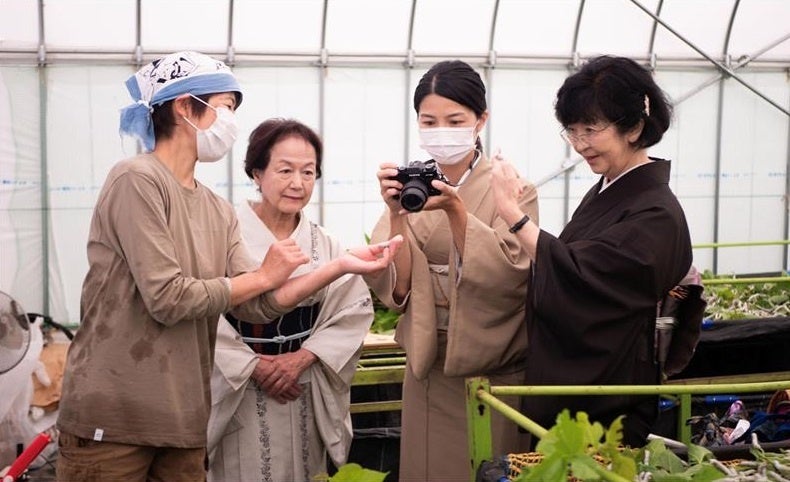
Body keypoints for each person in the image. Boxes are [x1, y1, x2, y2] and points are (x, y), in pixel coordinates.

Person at [55, 51, 402, 482]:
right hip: (116, 415)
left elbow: (257, 305)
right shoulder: (136, 179)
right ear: (185, 106)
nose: (230, 122)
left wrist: (341, 266)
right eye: (224, 107)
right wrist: (263, 277)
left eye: (307, 172)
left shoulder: (215, 208)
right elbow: (167, 298)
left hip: (182, 419)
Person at [489, 55, 694, 448]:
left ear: (634, 127)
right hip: (581, 384)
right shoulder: (610, 188)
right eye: (572, 130)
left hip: (612, 395)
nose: (580, 144)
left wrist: (512, 214)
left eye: (591, 129)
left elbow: (582, 277)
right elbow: (569, 266)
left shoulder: (657, 211)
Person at [365, 60, 538, 481]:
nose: (440, 130)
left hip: (488, 367)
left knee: (484, 466)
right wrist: (396, 215)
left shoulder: (513, 188)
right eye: (429, 121)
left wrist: (458, 212)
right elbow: (397, 286)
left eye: (455, 120)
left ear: (481, 120)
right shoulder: (415, 186)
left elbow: (512, 274)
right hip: (429, 360)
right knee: (428, 467)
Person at [206, 118, 375, 481]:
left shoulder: (324, 242)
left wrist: (303, 357)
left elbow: (352, 309)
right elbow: (202, 311)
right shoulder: (223, 234)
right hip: (239, 386)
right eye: (284, 170)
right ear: (257, 173)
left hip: (302, 384)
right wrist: (253, 365)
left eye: (308, 172)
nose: (297, 183)